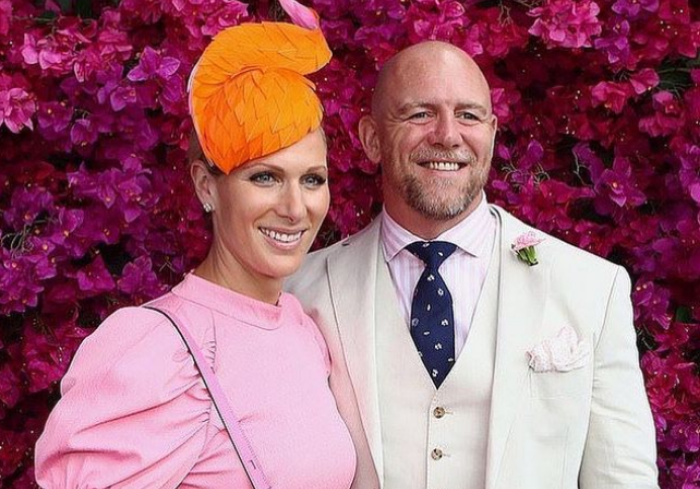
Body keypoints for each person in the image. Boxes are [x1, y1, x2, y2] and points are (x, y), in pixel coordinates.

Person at [286, 41, 659, 489]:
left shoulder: (591, 288)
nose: (447, 135)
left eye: (468, 115)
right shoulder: (300, 291)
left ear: (492, 133)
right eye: (420, 114)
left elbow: (624, 479)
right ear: (371, 138)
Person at [34, 2, 362, 487]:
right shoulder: (157, 346)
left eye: (312, 179)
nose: (296, 208)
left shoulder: (301, 328)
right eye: (265, 177)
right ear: (207, 186)